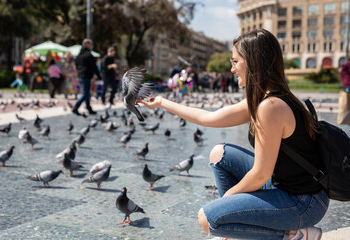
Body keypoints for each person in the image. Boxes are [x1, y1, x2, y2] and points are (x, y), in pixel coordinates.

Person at [138, 29, 328, 240]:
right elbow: (209, 118)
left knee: (209, 219)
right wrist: (163, 103)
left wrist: (226, 200)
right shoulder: (264, 99)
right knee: (219, 154)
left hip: (304, 202)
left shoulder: (271, 107)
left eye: (235, 61)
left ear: (253, 62)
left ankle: (295, 235)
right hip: (284, 186)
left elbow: (260, 175)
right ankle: (237, 228)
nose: (232, 68)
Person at [72, 39, 101, 115]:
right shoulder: (88, 55)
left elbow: (76, 65)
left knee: (87, 93)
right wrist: (99, 76)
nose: (92, 46)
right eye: (91, 44)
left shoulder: (79, 55)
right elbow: (94, 67)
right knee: (85, 93)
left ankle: (88, 108)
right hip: (86, 76)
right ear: (87, 44)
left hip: (80, 76)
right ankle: (75, 107)